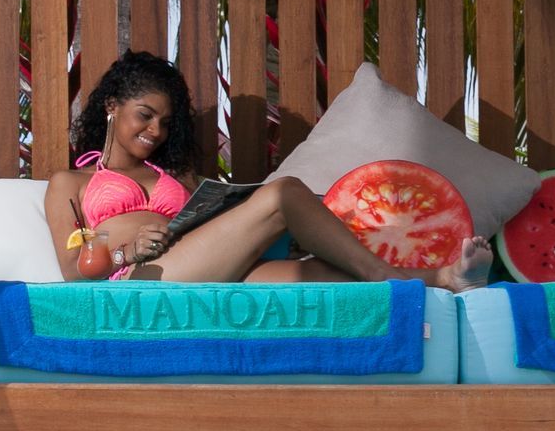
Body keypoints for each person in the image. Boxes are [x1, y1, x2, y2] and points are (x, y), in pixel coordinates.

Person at [45, 50, 492, 290]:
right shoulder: (71, 183)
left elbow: (224, 220)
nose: (155, 130)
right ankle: (391, 276)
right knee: (282, 193)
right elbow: (70, 269)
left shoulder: (175, 177)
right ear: (111, 106)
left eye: (165, 122)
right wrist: (128, 251)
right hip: (143, 274)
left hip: (208, 263)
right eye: (144, 115)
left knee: (328, 273)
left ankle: (444, 278)